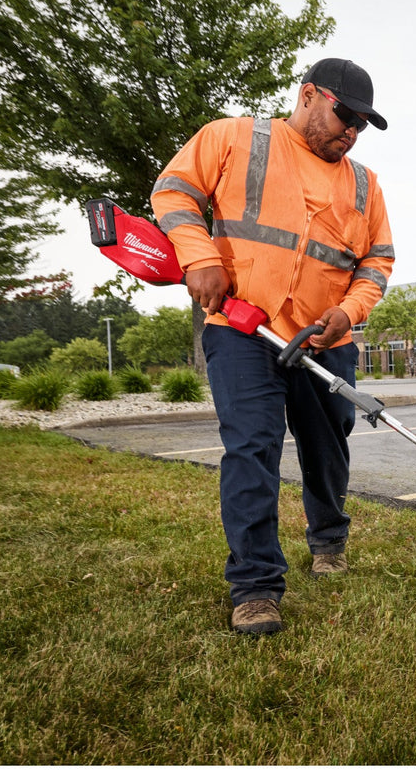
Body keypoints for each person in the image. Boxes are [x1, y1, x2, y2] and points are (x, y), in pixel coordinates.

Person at [150, 58, 394, 636]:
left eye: (363, 124)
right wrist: (200, 256)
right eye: (345, 116)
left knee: (327, 443)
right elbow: (173, 191)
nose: (352, 131)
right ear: (308, 95)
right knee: (252, 449)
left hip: (323, 339)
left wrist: (347, 312)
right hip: (242, 331)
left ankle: (329, 538)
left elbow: (377, 262)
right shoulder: (233, 137)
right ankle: (255, 586)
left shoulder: (364, 183)